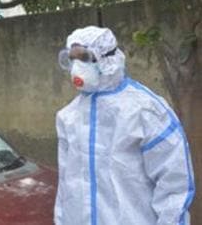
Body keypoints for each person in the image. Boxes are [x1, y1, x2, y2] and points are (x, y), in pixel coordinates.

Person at [55, 26, 195, 225]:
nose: (77, 66)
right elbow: (66, 187)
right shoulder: (68, 117)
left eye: (85, 58)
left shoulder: (146, 111)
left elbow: (174, 185)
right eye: (72, 58)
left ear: (107, 59)